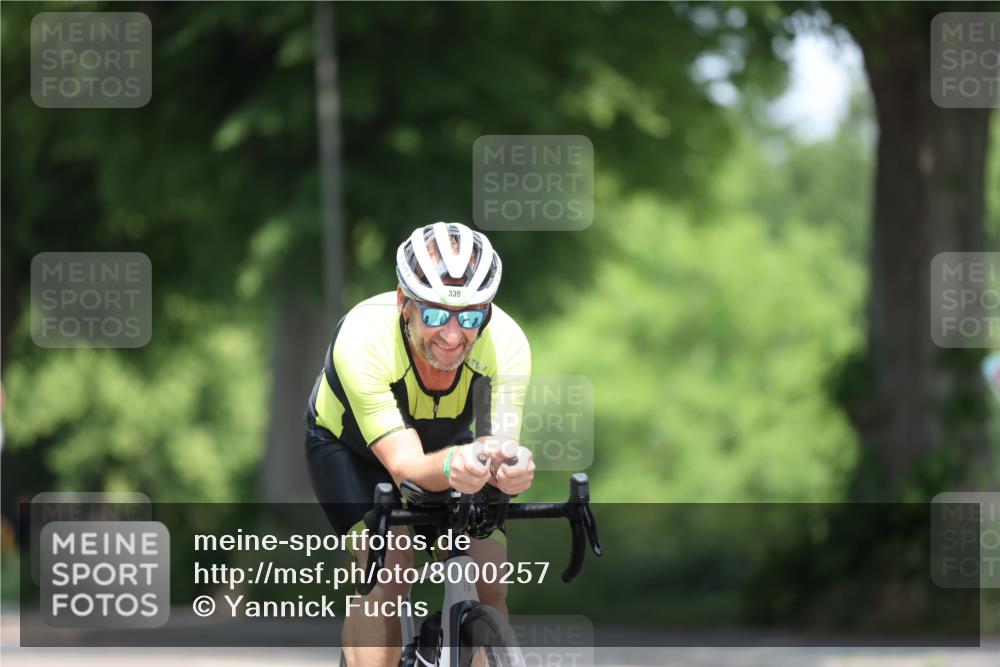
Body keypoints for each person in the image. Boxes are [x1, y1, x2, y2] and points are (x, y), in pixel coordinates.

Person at [304, 221, 534, 666]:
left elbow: (500, 444)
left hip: (451, 444)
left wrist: (515, 468)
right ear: (402, 303)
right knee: (391, 570)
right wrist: (455, 466)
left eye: (469, 317)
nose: (452, 335)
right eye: (434, 314)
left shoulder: (506, 344)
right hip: (350, 450)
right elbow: (407, 468)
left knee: (491, 580)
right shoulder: (362, 340)